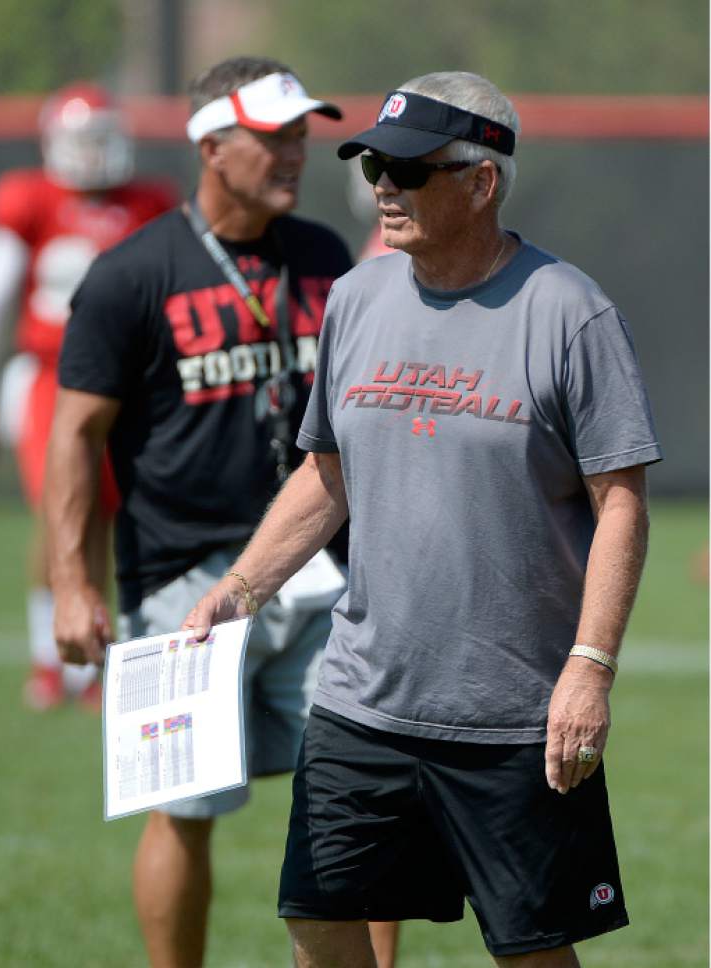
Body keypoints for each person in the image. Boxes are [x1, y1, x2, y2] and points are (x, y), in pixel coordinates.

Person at [182, 70, 663, 968]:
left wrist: (588, 670)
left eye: (409, 171)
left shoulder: (570, 312)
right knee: (317, 922)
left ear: (481, 182)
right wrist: (244, 584)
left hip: (514, 714)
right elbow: (328, 476)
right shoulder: (358, 298)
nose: (383, 189)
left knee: (531, 949)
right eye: (373, 168)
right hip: (362, 698)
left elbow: (621, 506)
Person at [45, 56, 399, 968]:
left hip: (324, 571)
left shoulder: (322, 255)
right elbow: (75, 434)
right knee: (185, 810)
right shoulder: (130, 273)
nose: (293, 151)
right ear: (210, 143)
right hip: (178, 579)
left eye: (300, 134)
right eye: (270, 135)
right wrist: (72, 581)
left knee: (367, 793)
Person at [0, 82, 176, 710]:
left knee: (109, 515)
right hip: (54, 375)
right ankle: (53, 658)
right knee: (60, 512)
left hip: (132, 383)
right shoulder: (30, 199)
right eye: (83, 140)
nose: (95, 154)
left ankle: (96, 662)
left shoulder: (148, 203)